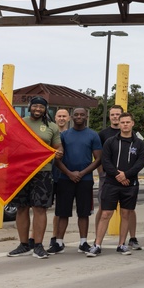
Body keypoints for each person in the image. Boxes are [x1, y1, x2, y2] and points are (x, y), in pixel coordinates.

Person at [9, 96, 63, 259]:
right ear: (30, 107)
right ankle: (24, 244)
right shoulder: (20, 123)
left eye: (41, 107)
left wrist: (59, 152)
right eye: (35, 106)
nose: (38, 109)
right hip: (22, 171)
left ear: (46, 109)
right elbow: (10, 143)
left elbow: (57, 146)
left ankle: (38, 245)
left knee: (40, 208)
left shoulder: (51, 127)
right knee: (21, 207)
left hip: (43, 172)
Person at [87, 112, 144, 256]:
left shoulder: (139, 144)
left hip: (130, 184)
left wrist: (126, 175)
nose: (125, 124)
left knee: (126, 214)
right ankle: (97, 244)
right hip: (111, 184)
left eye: (128, 122)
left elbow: (140, 163)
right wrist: (118, 175)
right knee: (106, 213)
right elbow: (105, 161)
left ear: (132, 123)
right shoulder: (110, 142)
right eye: (122, 122)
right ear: (119, 124)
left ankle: (122, 244)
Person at [49, 107, 101, 254]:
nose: (79, 116)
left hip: (85, 180)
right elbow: (57, 157)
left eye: (82, 115)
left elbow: (98, 159)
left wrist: (82, 173)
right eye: (76, 114)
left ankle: (83, 242)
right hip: (65, 178)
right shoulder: (64, 135)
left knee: (83, 213)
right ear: (72, 117)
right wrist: (70, 173)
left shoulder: (93, 135)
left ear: (86, 116)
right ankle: (58, 242)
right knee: (62, 212)